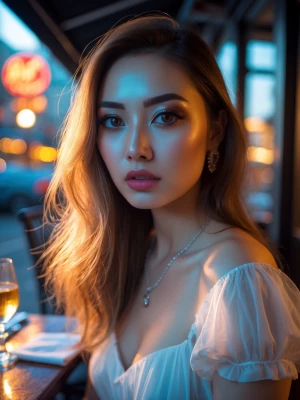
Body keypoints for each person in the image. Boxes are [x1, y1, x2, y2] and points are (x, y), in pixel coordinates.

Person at [40, 13, 300, 400]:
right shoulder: (131, 254)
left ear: (214, 132)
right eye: (113, 120)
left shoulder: (237, 278)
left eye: (165, 116)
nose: (135, 149)